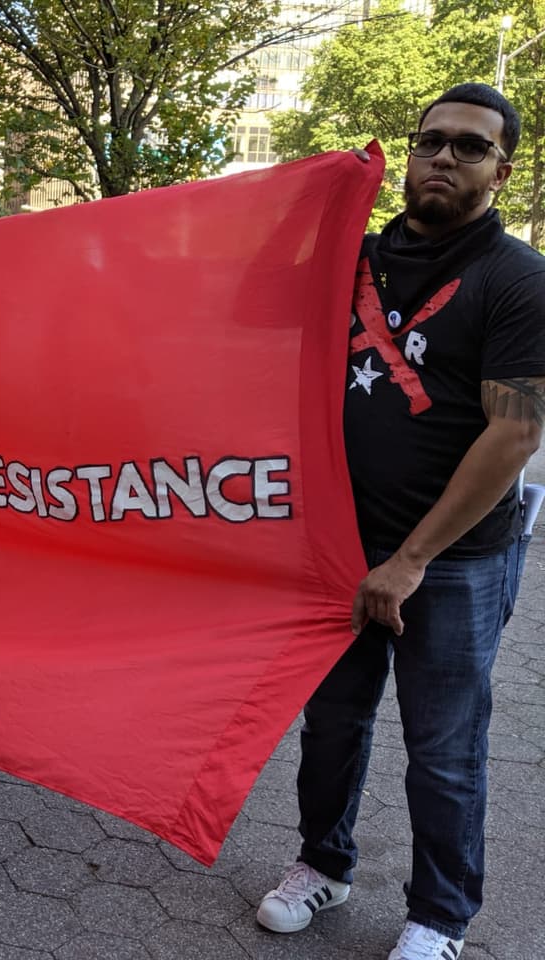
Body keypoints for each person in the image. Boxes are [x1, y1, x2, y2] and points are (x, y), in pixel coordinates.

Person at [257, 84, 545, 960]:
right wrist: (305, 203)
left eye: (468, 147)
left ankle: (440, 916)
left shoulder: (517, 278)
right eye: (431, 143)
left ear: (502, 168)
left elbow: (517, 430)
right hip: (340, 546)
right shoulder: (354, 260)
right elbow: (243, 310)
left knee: (445, 746)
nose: (444, 160)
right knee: (333, 723)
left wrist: (412, 559)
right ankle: (323, 865)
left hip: (452, 562)